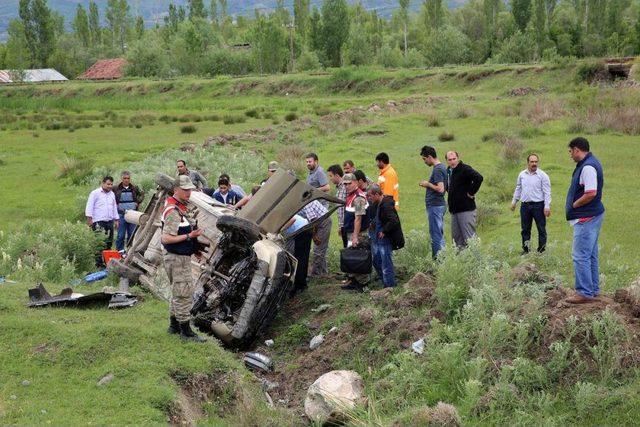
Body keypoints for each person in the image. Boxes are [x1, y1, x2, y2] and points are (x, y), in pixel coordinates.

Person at [161, 175, 206, 342]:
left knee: (178, 291)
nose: (188, 192)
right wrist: (190, 236)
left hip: (178, 256)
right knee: (183, 293)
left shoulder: (178, 206)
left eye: (190, 189)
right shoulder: (174, 211)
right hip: (177, 258)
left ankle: (174, 326)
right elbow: (166, 238)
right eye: (185, 189)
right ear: (176, 190)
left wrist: (195, 249)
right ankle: (186, 332)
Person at [565, 137, 605, 304]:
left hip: (586, 217)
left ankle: (584, 292)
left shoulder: (588, 167)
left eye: (570, 151)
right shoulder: (589, 163)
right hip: (593, 215)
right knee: (590, 254)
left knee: (580, 255)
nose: (570, 155)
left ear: (577, 150)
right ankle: (593, 289)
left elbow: (590, 193)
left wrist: (575, 204)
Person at [511, 154, 552, 254]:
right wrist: (514, 202)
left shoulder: (543, 176)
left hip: (538, 205)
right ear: (528, 163)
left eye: (536, 162)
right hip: (525, 205)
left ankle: (541, 251)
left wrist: (547, 206)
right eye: (532, 162)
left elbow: (547, 192)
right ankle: (526, 250)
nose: (534, 164)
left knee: (541, 229)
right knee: (525, 229)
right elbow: (518, 188)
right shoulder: (522, 175)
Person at [367, 185, 403, 288]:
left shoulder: (387, 205)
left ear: (377, 194)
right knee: (376, 261)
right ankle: (385, 281)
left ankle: (390, 286)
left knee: (386, 263)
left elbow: (393, 220)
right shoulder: (377, 204)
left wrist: (384, 230)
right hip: (377, 239)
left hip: (385, 239)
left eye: (370, 196)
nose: (369, 198)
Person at [446, 151, 483, 248]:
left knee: (469, 238)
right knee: (457, 239)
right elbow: (450, 187)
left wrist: (471, 192)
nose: (452, 161)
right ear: (447, 161)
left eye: (454, 159)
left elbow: (478, 177)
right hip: (454, 210)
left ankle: (477, 261)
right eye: (450, 160)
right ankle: (462, 262)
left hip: (466, 209)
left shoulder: (464, 168)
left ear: (457, 158)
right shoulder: (449, 171)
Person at [340, 173, 370, 292]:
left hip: (358, 233)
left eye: (349, 183)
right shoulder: (351, 195)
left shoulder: (358, 198)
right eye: (345, 184)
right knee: (352, 257)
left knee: (359, 258)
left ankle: (363, 285)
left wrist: (355, 236)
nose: (347, 186)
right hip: (351, 232)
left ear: (356, 182)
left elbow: (358, 219)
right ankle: (354, 281)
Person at [305, 153, 332, 278]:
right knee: (320, 246)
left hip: (321, 208)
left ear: (316, 161)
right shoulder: (310, 173)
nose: (308, 164)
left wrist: (313, 191)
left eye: (310, 161)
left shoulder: (319, 172)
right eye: (307, 162)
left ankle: (316, 274)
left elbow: (327, 187)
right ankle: (323, 273)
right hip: (315, 209)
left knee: (318, 246)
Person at [419, 146, 447, 259]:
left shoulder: (438, 169)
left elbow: (440, 188)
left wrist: (427, 184)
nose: (424, 161)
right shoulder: (442, 167)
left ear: (430, 157)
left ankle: (438, 262)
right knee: (438, 233)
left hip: (435, 205)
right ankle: (443, 259)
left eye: (424, 159)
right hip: (437, 205)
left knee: (435, 235)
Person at [85, 176, 119, 267]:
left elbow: (114, 207)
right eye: (108, 184)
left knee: (109, 242)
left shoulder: (112, 194)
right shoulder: (95, 193)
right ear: (103, 183)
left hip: (109, 221)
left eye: (111, 184)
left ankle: (107, 262)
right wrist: (89, 219)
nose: (110, 186)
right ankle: (98, 264)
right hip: (98, 222)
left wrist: (116, 219)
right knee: (99, 243)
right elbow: (89, 206)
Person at [114, 171, 144, 252]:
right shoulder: (116, 188)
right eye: (125, 178)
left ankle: (130, 251)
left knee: (132, 234)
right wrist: (115, 205)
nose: (126, 180)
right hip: (121, 214)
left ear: (130, 179)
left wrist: (137, 202)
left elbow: (142, 194)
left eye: (128, 178)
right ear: (121, 179)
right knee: (121, 235)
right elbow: (111, 197)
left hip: (132, 215)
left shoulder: (134, 187)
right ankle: (119, 252)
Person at [327, 164, 348, 248]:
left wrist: (342, 225)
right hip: (343, 225)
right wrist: (340, 226)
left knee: (348, 248)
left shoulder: (345, 186)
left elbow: (345, 207)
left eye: (331, 176)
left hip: (347, 224)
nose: (330, 178)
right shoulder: (339, 187)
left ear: (336, 175)